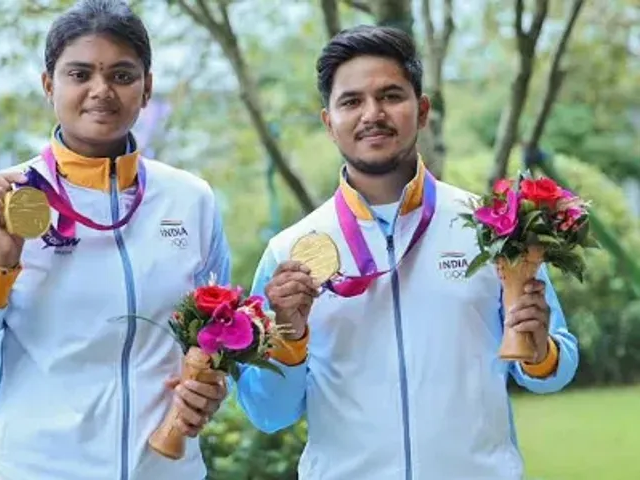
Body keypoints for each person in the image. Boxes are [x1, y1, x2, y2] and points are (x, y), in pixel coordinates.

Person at [235, 25, 578, 480]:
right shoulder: (288, 255)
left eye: (390, 96)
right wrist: (289, 337)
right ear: (328, 122)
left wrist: (541, 353)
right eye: (351, 101)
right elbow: (267, 412)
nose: (372, 114)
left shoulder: (492, 227)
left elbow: (558, 362)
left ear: (422, 110)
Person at [0, 1, 230, 479]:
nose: (101, 91)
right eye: (79, 74)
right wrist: (0, 265)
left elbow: (220, 340)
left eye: (123, 75)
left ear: (147, 88)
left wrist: (213, 385)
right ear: (49, 85)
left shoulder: (191, 200)